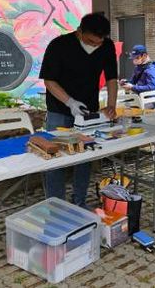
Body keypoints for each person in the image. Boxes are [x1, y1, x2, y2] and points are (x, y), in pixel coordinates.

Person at [40, 13, 118, 208]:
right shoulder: (59, 45)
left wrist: (111, 105)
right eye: (91, 41)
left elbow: (111, 78)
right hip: (59, 109)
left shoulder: (107, 46)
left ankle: (79, 201)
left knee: (85, 156)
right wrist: (70, 102)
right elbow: (49, 81)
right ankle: (56, 205)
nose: (95, 45)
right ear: (79, 32)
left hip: (88, 110)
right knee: (56, 157)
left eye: (99, 42)